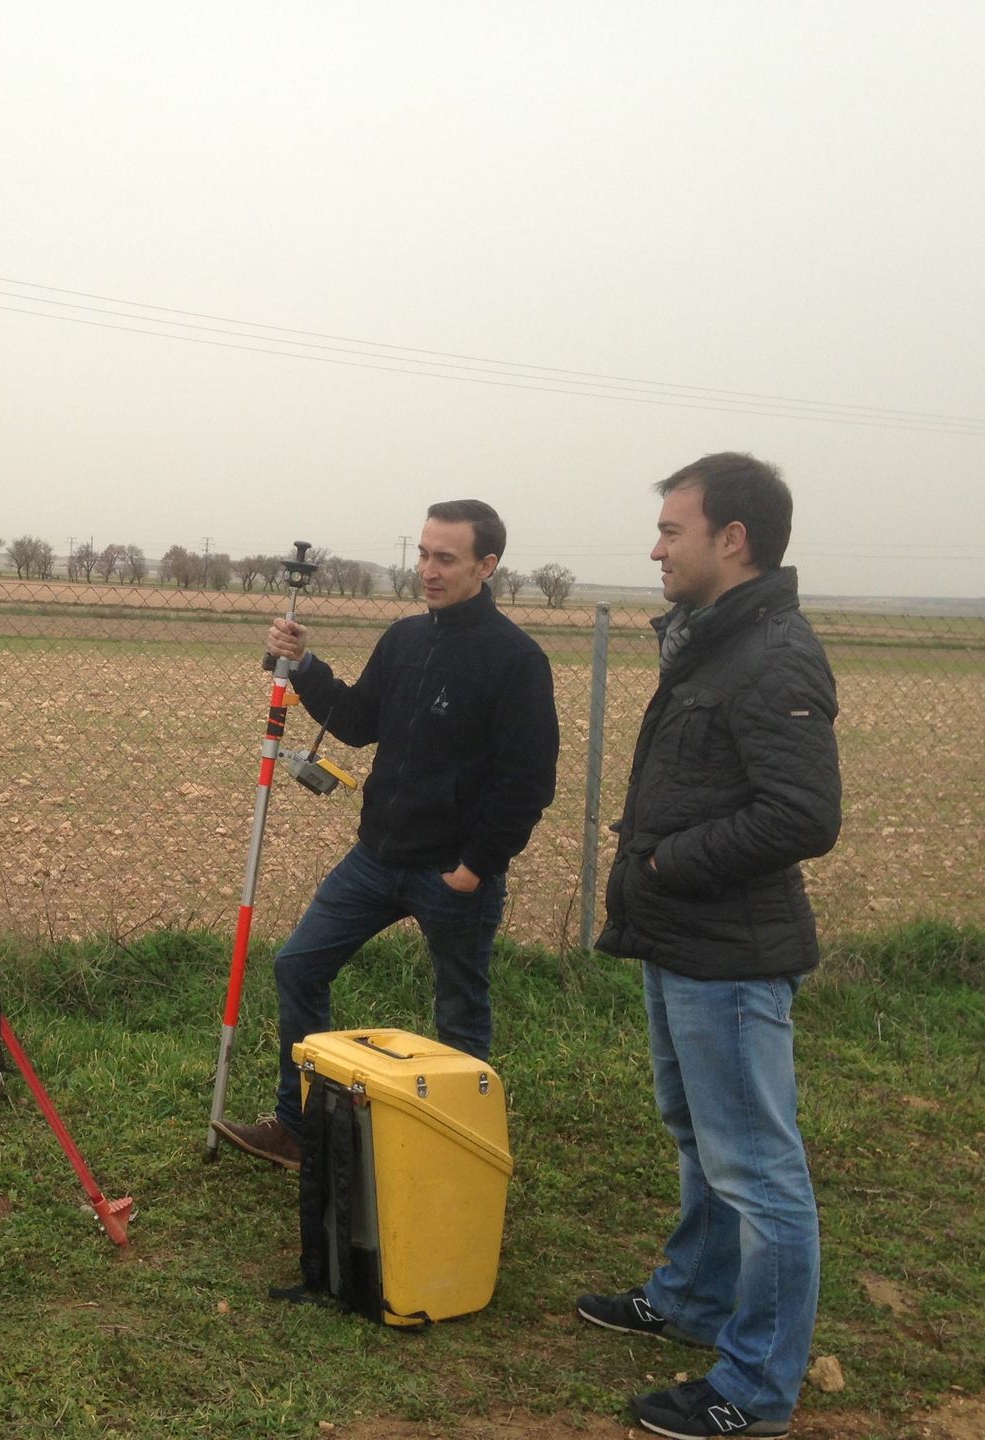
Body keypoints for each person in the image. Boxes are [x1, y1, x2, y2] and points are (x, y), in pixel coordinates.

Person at [579, 454, 842, 1439]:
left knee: (758, 1171)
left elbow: (803, 815)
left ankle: (753, 1390)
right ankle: (692, 1299)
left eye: (672, 531)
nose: (656, 547)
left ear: (732, 540)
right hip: (680, 940)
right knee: (699, 1137)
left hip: (727, 954)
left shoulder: (773, 654)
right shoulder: (712, 645)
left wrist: (665, 866)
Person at [213, 499, 559, 1170]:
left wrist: (476, 866)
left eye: (446, 558)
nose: (427, 570)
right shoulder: (405, 638)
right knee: (298, 966)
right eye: (424, 554)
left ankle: (460, 1154)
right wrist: (305, 666)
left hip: (452, 873)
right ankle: (300, 1127)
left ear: (486, 566)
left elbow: (527, 781)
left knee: (459, 1012)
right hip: (377, 858)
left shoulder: (516, 660)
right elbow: (357, 719)